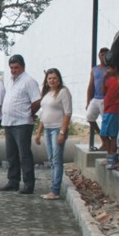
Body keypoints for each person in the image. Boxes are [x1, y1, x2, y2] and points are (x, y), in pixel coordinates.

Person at [0, 54, 41, 194]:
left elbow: (36, 100)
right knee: (11, 155)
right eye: (11, 67)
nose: (13, 70)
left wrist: (29, 113)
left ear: (22, 67)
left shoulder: (29, 81)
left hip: (22, 123)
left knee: (24, 155)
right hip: (9, 123)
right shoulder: (10, 80)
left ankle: (29, 184)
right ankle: (13, 181)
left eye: (16, 67)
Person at [34, 68, 72, 200]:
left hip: (58, 129)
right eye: (49, 78)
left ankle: (55, 190)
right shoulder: (47, 94)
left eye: (54, 78)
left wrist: (62, 132)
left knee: (56, 159)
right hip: (48, 129)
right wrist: (38, 133)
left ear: (59, 79)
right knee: (51, 159)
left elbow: (67, 113)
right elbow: (43, 115)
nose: (52, 80)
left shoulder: (63, 92)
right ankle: (53, 188)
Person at [85, 48, 109, 151]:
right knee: (90, 117)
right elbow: (91, 86)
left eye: (105, 54)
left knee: (106, 122)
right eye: (101, 54)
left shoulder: (111, 69)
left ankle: (107, 143)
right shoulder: (95, 69)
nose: (103, 56)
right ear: (99, 55)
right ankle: (104, 139)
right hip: (95, 98)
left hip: (106, 99)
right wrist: (88, 101)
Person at [101, 61, 119, 169]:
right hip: (107, 109)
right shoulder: (110, 79)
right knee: (104, 134)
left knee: (113, 135)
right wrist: (104, 79)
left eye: (109, 68)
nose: (107, 71)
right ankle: (109, 154)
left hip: (114, 109)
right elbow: (104, 91)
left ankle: (112, 157)